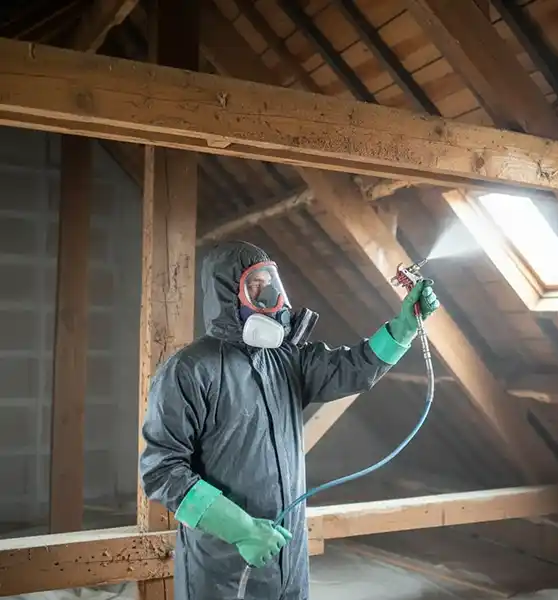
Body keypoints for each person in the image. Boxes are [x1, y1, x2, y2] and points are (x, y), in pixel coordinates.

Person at [139, 240, 439, 600]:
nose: (270, 295)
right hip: (222, 571)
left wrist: (403, 327)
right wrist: (241, 528)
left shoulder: (286, 360)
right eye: (254, 285)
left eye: (271, 283)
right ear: (225, 293)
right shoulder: (189, 370)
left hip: (288, 565)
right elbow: (162, 471)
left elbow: (352, 367)